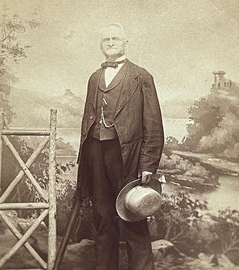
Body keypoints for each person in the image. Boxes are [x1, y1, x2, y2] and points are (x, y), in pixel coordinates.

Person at [76, 22, 164, 270]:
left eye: (116, 38)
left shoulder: (141, 76)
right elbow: (87, 120)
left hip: (126, 154)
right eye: (106, 39)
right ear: (101, 45)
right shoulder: (94, 77)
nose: (111, 42)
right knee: (103, 217)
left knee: (133, 215)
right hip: (95, 151)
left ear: (126, 42)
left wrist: (148, 164)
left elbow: (153, 124)